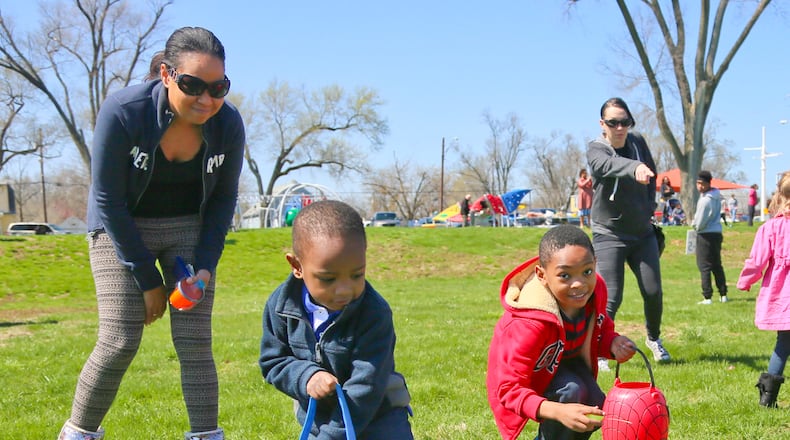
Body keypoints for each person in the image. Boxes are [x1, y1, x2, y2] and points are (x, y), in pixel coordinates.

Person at [58, 27, 244, 440]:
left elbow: (222, 202)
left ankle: (206, 435)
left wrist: (206, 267)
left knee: (195, 342)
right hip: (120, 226)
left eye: (219, 87)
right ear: (166, 74)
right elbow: (107, 200)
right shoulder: (124, 111)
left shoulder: (228, 124)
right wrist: (148, 280)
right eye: (193, 85)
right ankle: (78, 434)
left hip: (187, 229)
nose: (206, 99)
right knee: (120, 339)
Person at [259, 200, 414, 439]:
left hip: (381, 421)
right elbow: (273, 361)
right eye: (328, 278)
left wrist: (331, 437)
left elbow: (366, 387)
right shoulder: (281, 306)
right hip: (318, 424)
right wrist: (306, 375)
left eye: (356, 275)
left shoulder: (374, 312)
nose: (344, 290)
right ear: (297, 266)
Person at [487, 225, 636, 440]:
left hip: (567, 362)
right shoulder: (528, 323)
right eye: (564, 275)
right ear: (542, 274)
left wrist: (613, 343)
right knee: (571, 393)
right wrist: (558, 411)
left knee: (593, 404)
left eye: (587, 272)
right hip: (533, 377)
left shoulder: (596, 291)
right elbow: (508, 388)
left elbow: (600, 332)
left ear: (595, 265)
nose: (579, 284)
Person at [586, 97, 671, 364]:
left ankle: (654, 339)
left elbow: (651, 173)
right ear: (603, 124)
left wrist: (649, 205)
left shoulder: (637, 143)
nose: (620, 127)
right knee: (611, 297)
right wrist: (633, 167)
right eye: (613, 122)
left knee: (653, 291)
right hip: (609, 234)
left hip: (641, 233)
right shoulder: (596, 149)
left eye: (625, 122)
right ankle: (600, 348)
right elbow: (605, 166)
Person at [737, 171, 790, 407]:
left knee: (783, 345)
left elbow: (756, 261)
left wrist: (745, 281)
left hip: (783, 296)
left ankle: (768, 398)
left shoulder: (771, 228)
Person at [691, 171, 728, 304]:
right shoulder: (717, 195)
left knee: (704, 266)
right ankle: (723, 294)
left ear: (708, 184)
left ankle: (707, 296)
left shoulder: (705, 200)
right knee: (717, 264)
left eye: (702, 184)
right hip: (717, 233)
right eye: (698, 183)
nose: (699, 186)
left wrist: (695, 227)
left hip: (705, 234)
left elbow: (700, 222)